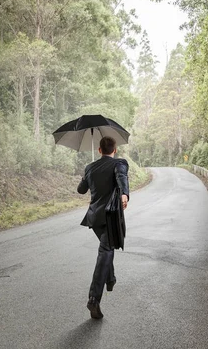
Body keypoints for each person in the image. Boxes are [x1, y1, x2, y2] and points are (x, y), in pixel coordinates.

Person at [77, 136, 129, 319]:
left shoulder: (90, 168)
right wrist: (125, 195)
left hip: (94, 218)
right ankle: (94, 299)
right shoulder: (119, 163)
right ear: (114, 150)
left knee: (107, 250)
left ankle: (111, 278)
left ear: (99, 150)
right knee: (105, 252)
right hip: (110, 216)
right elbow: (121, 176)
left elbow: (81, 190)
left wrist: (86, 174)